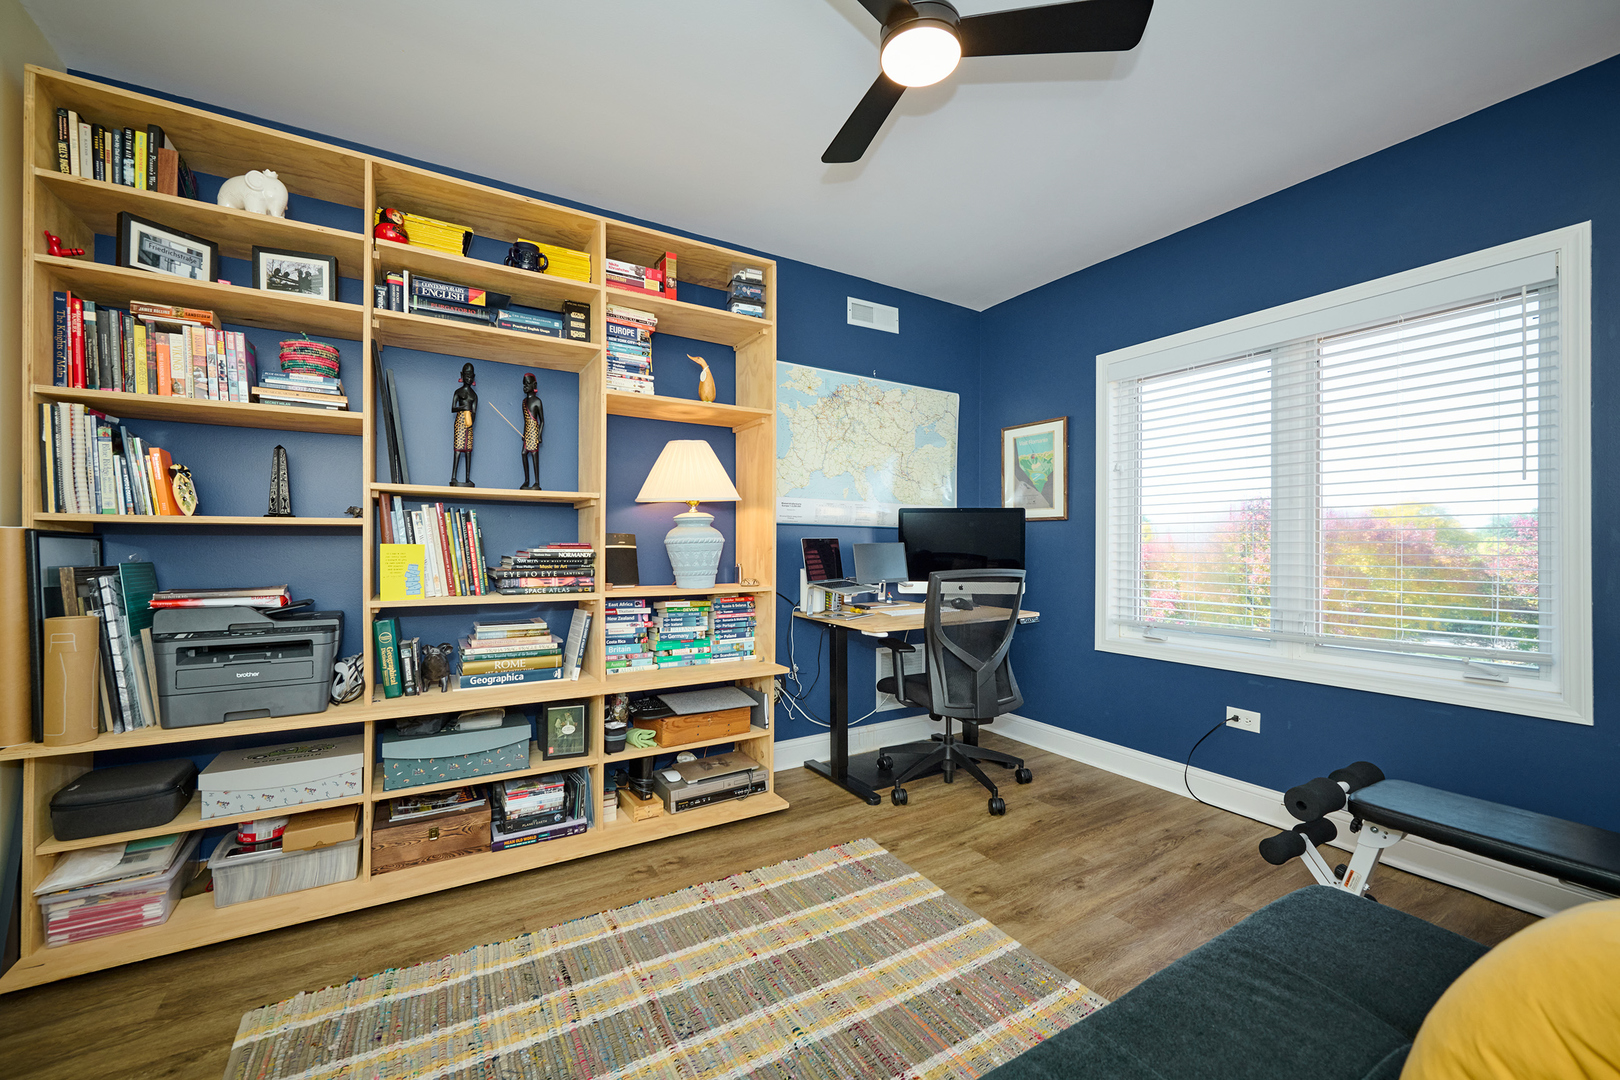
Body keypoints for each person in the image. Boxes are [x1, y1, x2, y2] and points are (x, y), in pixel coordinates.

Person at [449, 363, 477, 486]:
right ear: (462, 375)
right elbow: (452, 408)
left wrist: (471, 422)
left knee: (468, 450)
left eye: (471, 376)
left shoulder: (474, 395)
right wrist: (463, 408)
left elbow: (474, 412)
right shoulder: (458, 392)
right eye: (466, 376)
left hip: (469, 423)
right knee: (458, 449)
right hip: (460, 422)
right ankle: (453, 477)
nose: (469, 379)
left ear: (473, 377)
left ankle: (467, 478)